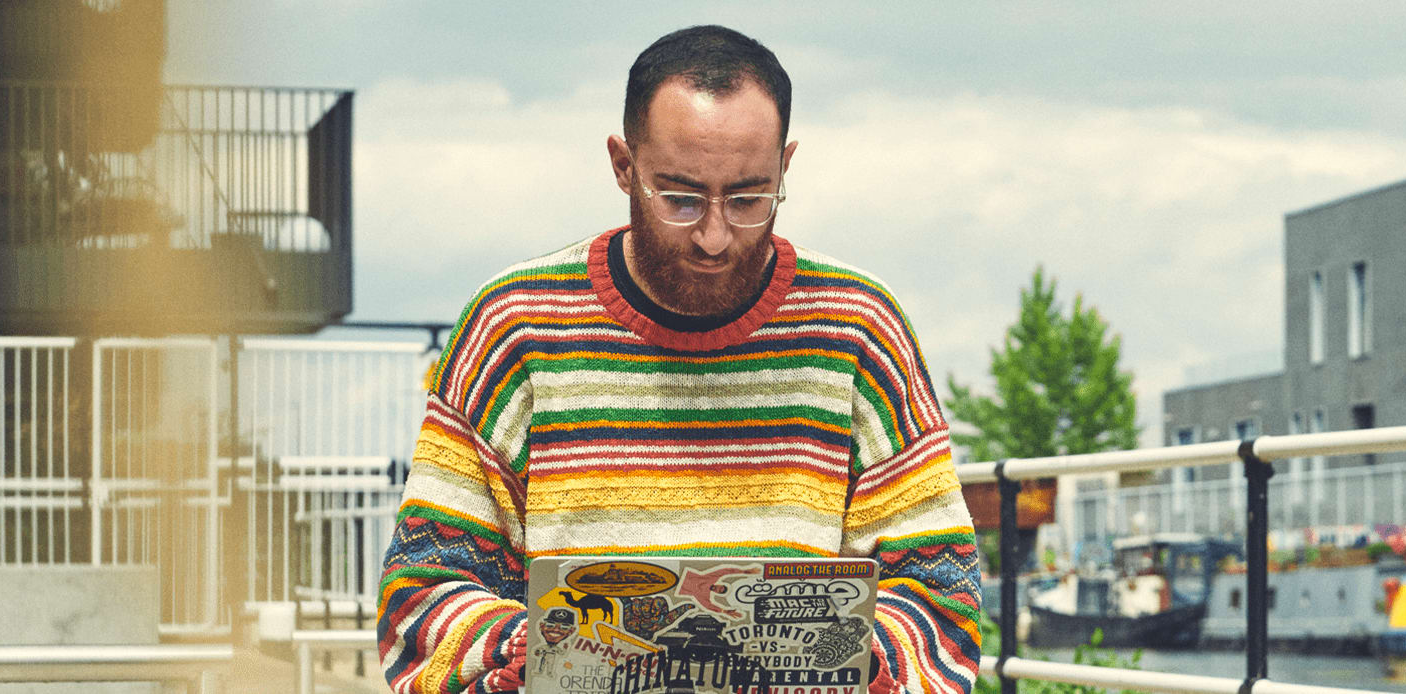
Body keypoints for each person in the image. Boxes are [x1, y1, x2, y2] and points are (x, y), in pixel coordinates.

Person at [377, 25, 982, 694]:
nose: (715, 235)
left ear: (786, 167)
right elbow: (424, 595)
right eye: (681, 198)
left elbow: (941, 592)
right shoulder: (514, 326)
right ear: (622, 165)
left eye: (750, 199)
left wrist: (860, 664)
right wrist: (541, 657)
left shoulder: (859, 329)